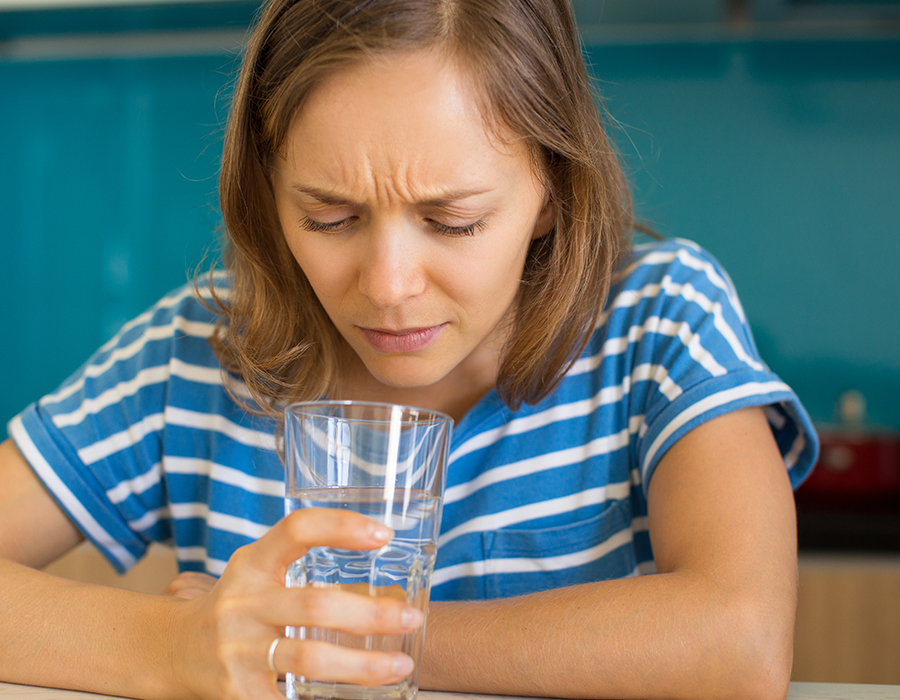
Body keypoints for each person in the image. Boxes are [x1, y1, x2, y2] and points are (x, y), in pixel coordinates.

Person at [0, 1, 818, 699]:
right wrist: (171, 645)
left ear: (553, 190)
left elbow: (738, 641)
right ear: (266, 188)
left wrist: (330, 641)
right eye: (329, 217)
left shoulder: (658, 321)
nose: (388, 285)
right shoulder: (193, 359)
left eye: (453, 221)